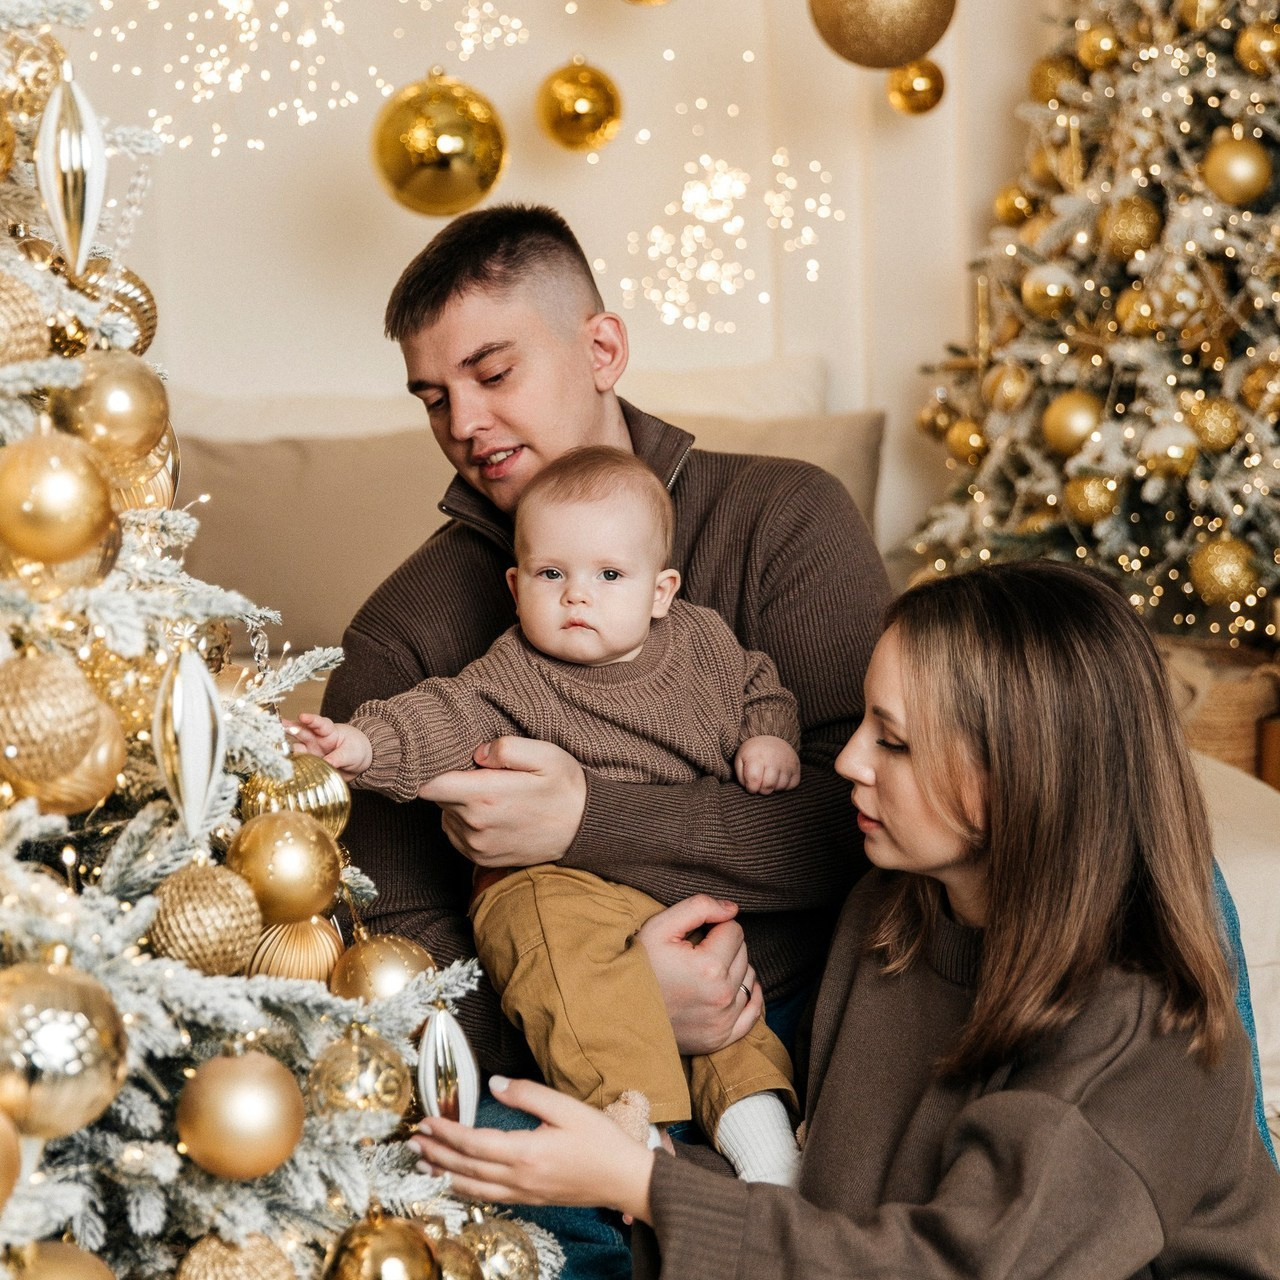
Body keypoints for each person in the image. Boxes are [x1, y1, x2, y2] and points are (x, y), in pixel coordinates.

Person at [413, 561, 1280, 1278]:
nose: (853, 762)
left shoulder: (1137, 1031)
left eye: (893, 741)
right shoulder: (898, 907)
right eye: (865, 721)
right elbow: (831, 1204)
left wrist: (647, 1187)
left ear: (1018, 778)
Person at [321, 202, 889, 1274]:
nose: (464, 422)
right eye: (434, 396)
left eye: (494, 372)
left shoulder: (782, 518)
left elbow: (856, 822)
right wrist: (614, 1007)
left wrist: (584, 817)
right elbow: (403, 949)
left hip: (799, 1006)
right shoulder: (405, 632)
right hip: (552, 1048)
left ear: (601, 348)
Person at [294, 446, 804, 1186]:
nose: (576, 598)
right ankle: (635, 1132)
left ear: (661, 592)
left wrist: (767, 737)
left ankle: (768, 1154)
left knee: (731, 1004)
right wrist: (364, 745)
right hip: (543, 883)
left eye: (608, 576)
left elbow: (761, 686)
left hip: (666, 883)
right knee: (573, 974)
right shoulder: (513, 671)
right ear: (516, 584)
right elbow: (440, 716)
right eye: (551, 574)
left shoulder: (705, 646)